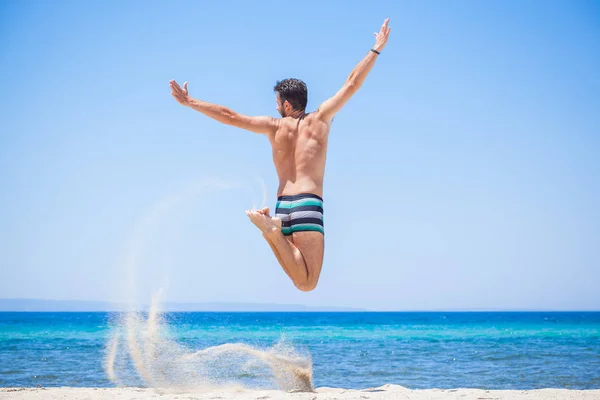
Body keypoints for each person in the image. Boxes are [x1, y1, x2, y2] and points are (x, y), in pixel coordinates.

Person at [170, 18, 391, 292]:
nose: (275, 108)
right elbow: (351, 84)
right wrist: (376, 49)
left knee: (300, 278)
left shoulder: (272, 127)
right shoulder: (320, 120)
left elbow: (230, 117)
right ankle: (271, 230)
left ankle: (272, 228)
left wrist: (190, 102)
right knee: (308, 284)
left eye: (277, 103)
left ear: (287, 104)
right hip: (307, 204)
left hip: (283, 204)